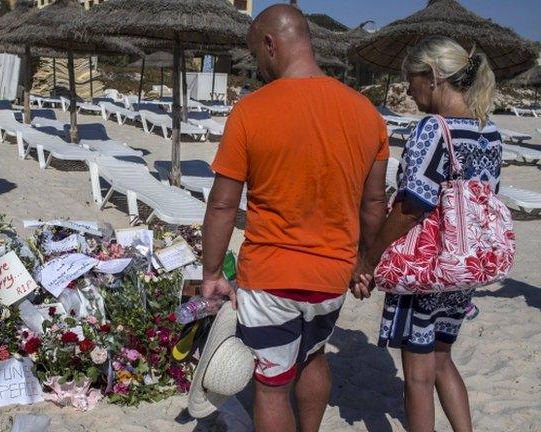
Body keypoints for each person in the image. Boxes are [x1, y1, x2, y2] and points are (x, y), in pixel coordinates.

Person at [200, 4, 389, 432]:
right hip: (333, 275)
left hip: (272, 275)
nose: (259, 67)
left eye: (257, 55)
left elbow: (223, 205)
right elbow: (374, 204)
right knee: (314, 355)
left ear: (271, 44)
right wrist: (365, 262)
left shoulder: (252, 111)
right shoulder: (366, 114)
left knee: (271, 385)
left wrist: (212, 271)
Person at [351, 36, 500, 432]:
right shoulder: (489, 131)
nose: (407, 88)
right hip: (465, 262)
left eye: (409, 78)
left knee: (417, 375)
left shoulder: (433, 129)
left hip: (426, 267)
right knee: (441, 359)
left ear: (433, 77)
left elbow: (411, 206)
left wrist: (370, 258)